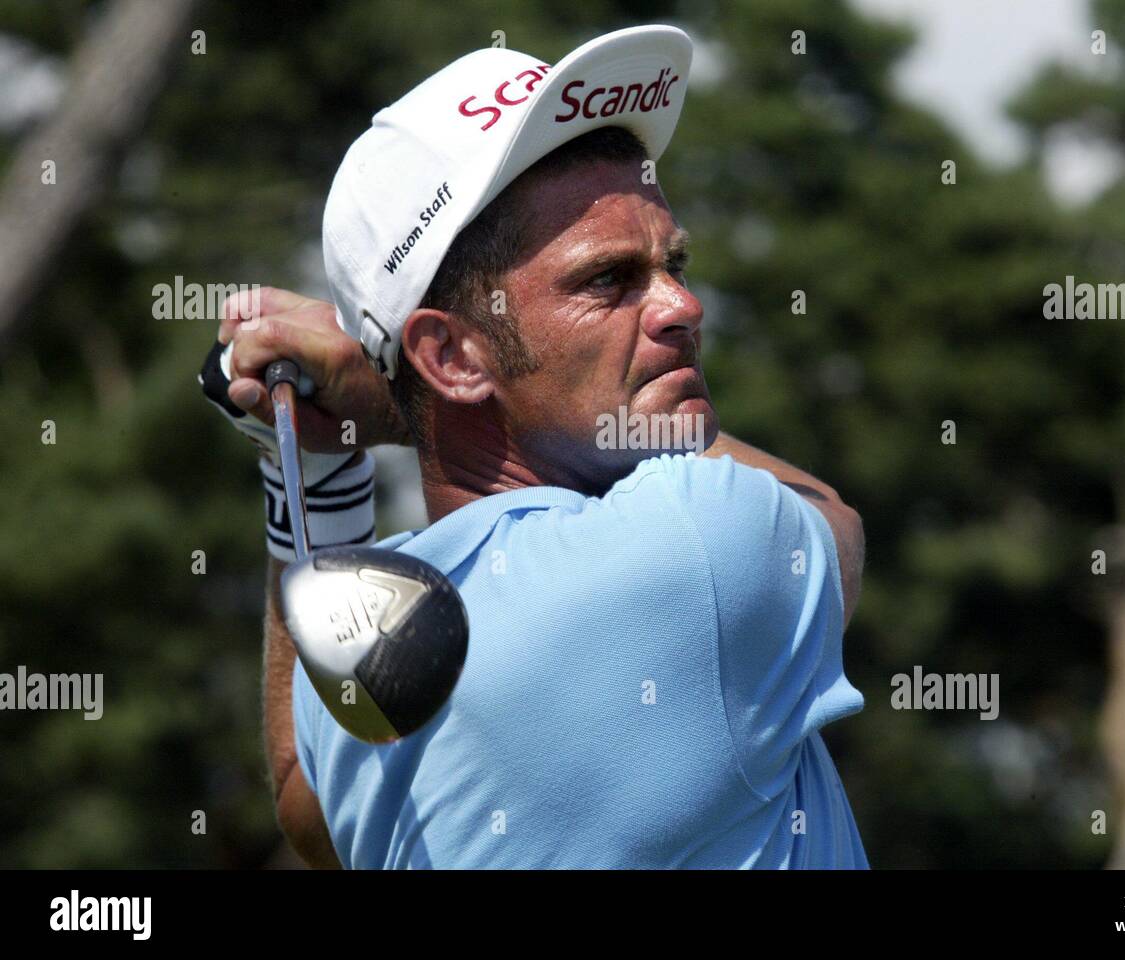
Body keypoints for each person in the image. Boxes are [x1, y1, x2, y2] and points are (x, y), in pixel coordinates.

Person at [205, 25, 868, 868]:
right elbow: (831, 522)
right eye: (609, 280)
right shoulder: (700, 543)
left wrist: (312, 457)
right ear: (449, 356)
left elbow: (307, 795)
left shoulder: (384, 634)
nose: (682, 306)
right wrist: (392, 413)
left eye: (675, 263)